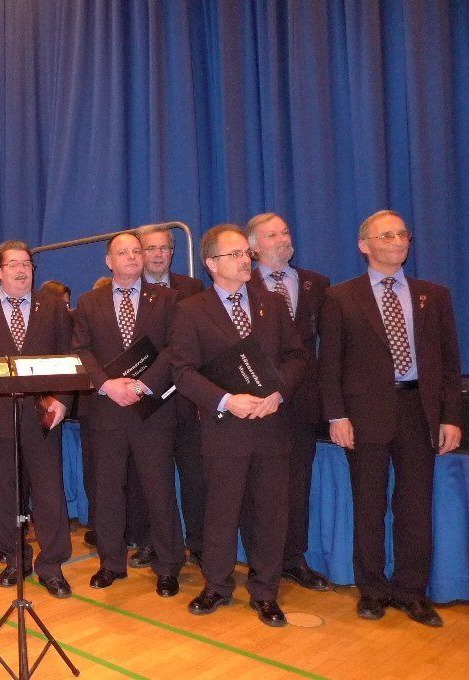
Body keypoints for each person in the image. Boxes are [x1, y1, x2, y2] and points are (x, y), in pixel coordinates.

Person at [319, 210, 462, 627]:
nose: (399, 242)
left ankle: (411, 591)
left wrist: (451, 416)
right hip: (364, 414)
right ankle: (372, 589)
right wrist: (336, 415)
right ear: (364, 245)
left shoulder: (433, 295)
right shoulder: (341, 297)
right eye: (387, 236)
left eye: (402, 234)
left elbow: (449, 364)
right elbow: (329, 365)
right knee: (368, 504)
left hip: (419, 411)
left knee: (415, 506)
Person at [169, 224, 306, 627]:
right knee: (221, 511)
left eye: (247, 253)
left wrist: (278, 393)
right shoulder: (191, 311)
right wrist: (227, 400)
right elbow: (182, 372)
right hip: (224, 428)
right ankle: (216, 585)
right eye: (235, 254)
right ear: (211, 263)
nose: (245, 259)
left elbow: (296, 357)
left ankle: (265, 591)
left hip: (271, 425)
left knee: (270, 512)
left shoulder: (273, 304)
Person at [0, 240, 75, 599]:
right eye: (14, 265)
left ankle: (52, 566)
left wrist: (63, 401)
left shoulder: (53, 308)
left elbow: (69, 358)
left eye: (27, 264)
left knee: (49, 493)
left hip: (43, 417)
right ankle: (14, 558)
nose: (22, 271)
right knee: (3, 493)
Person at [73, 232, 183, 597]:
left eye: (137, 251)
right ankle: (111, 563)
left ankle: (167, 566)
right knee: (107, 492)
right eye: (123, 252)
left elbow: (174, 348)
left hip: (152, 411)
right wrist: (107, 385)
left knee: (159, 491)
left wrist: (143, 385)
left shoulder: (167, 299)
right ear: (109, 261)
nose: (133, 257)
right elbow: (81, 351)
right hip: (106, 412)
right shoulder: (89, 302)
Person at [244, 213, 331, 591]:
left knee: (298, 484)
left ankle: (294, 558)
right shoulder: (241, 284)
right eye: (271, 235)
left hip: (302, 402)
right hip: (255, 401)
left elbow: (330, 346)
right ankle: (259, 561)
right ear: (253, 248)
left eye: (285, 232)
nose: (282, 239)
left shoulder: (317, 284)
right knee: (257, 485)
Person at [135, 223, 205, 566]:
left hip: (189, 399)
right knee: (151, 479)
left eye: (164, 248)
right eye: (150, 248)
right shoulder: (130, 291)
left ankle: (200, 543)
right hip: (149, 398)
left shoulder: (192, 288)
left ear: (172, 253)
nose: (158, 254)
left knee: (195, 475)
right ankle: (152, 542)